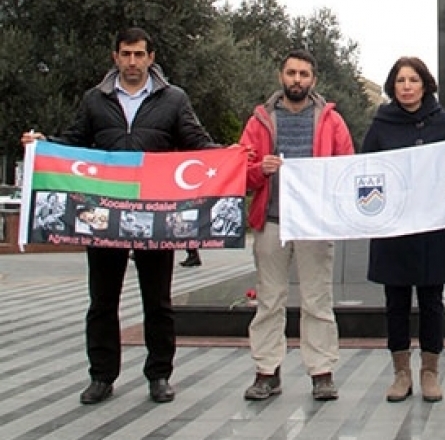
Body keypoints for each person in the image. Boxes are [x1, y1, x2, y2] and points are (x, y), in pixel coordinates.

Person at [21, 27, 218, 405]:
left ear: (151, 58)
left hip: (156, 216)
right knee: (102, 301)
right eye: (126, 54)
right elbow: (73, 142)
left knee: (158, 302)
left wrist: (231, 154)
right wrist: (44, 145)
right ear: (115, 57)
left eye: (139, 54)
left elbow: (197, 143)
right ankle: (101, 376)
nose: (132, 62)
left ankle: (159, 375)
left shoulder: (174, 100)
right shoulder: (95, 100)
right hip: (104, 216)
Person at [238, 49, 355, 401]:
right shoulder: (260, 120)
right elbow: (241, 171)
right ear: (281, 76)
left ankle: (321, 372)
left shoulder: (331, 120)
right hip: (271, 221)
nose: (297, 80)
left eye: (304, 74)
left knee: (317, 299)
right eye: (291, 73)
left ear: (313, 80)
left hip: (314, 224)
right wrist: (260, 170)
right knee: (269, 299)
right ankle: (266, 371)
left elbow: (346, 167)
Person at [362, 57, 445, 403]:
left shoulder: (444, 121)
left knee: (431, 302)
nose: (407, 86)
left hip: (431, 228)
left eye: (413, 80)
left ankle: (429, 372)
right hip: (393, 229)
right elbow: (365, 171)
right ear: (392, 86)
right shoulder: (380, 124)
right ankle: (401, 373)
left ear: (425, 84)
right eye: (400, 81)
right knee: (395, 302)